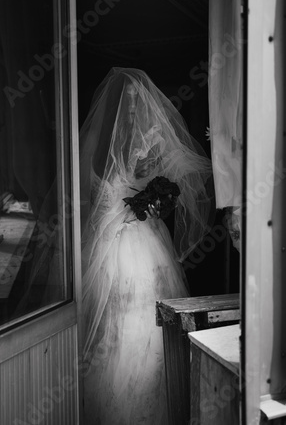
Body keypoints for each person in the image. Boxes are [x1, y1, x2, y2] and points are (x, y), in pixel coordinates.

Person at [79, 68, 213, 424]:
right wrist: (128, 209)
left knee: (147, 324)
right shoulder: (96, 142)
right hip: (114, 249)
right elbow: (89, 202)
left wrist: (155, 203)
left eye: (139, 101)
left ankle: (149, 403)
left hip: (146, 242)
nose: (135, 109)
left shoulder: (146, 142)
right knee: (118, 324)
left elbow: (176, 171)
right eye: (131, 101)